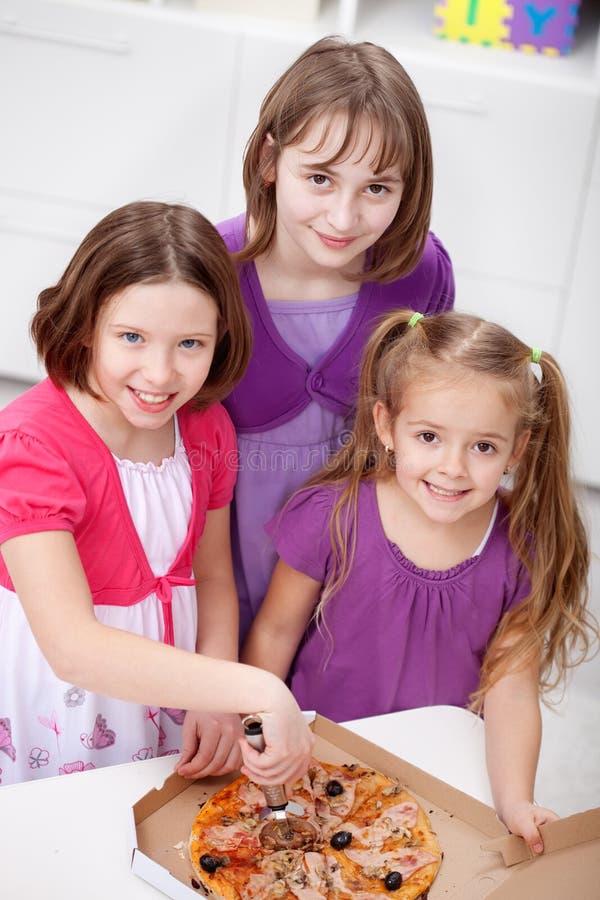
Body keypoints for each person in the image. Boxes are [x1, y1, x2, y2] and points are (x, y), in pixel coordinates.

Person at [242, 308, 598, 854]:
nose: (453, 467)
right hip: (316, 758)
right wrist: (258, 732)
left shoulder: (522, 546)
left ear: (517, 450)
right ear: (387, 426)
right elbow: (274, 635)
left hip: (436, 778)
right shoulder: (331, 516)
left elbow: (511, 683)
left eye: (483, 447)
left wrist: (514, 800)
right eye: (429, 436)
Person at [0, 201, 314, 787]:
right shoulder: (30, 444)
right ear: (85, 324)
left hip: (176, 694)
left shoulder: (204, 426)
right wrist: (254, 687)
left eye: (190, 344)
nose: (161, 373)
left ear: (221, 337)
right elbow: (74, 648)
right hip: (61, 709)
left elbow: (212, 575)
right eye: (132, 337)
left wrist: (214, 693)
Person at [218, 36, 455, 643]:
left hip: (352, 585)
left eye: (377, 188)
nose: (344, 219)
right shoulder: (210, 267)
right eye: (320, 178)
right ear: (271, 161)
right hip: (220, 571)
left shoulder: (422, 274)